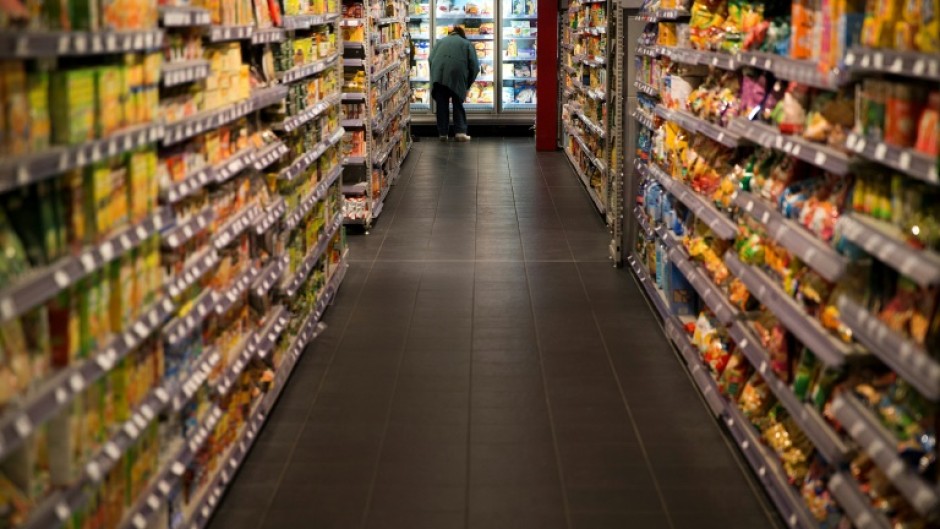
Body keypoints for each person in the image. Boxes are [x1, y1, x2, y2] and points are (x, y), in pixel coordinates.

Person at [429, 26, 479, 142]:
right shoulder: (466, 44)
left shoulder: (440, 42)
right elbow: (474, 66)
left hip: (439, 75)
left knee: (442, 104)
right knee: (457, 103)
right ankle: (460, 132)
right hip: (457, 75)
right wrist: (467, 84)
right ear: (462, 35)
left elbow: (430, 59)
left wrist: (435, 74)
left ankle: (442, 133)